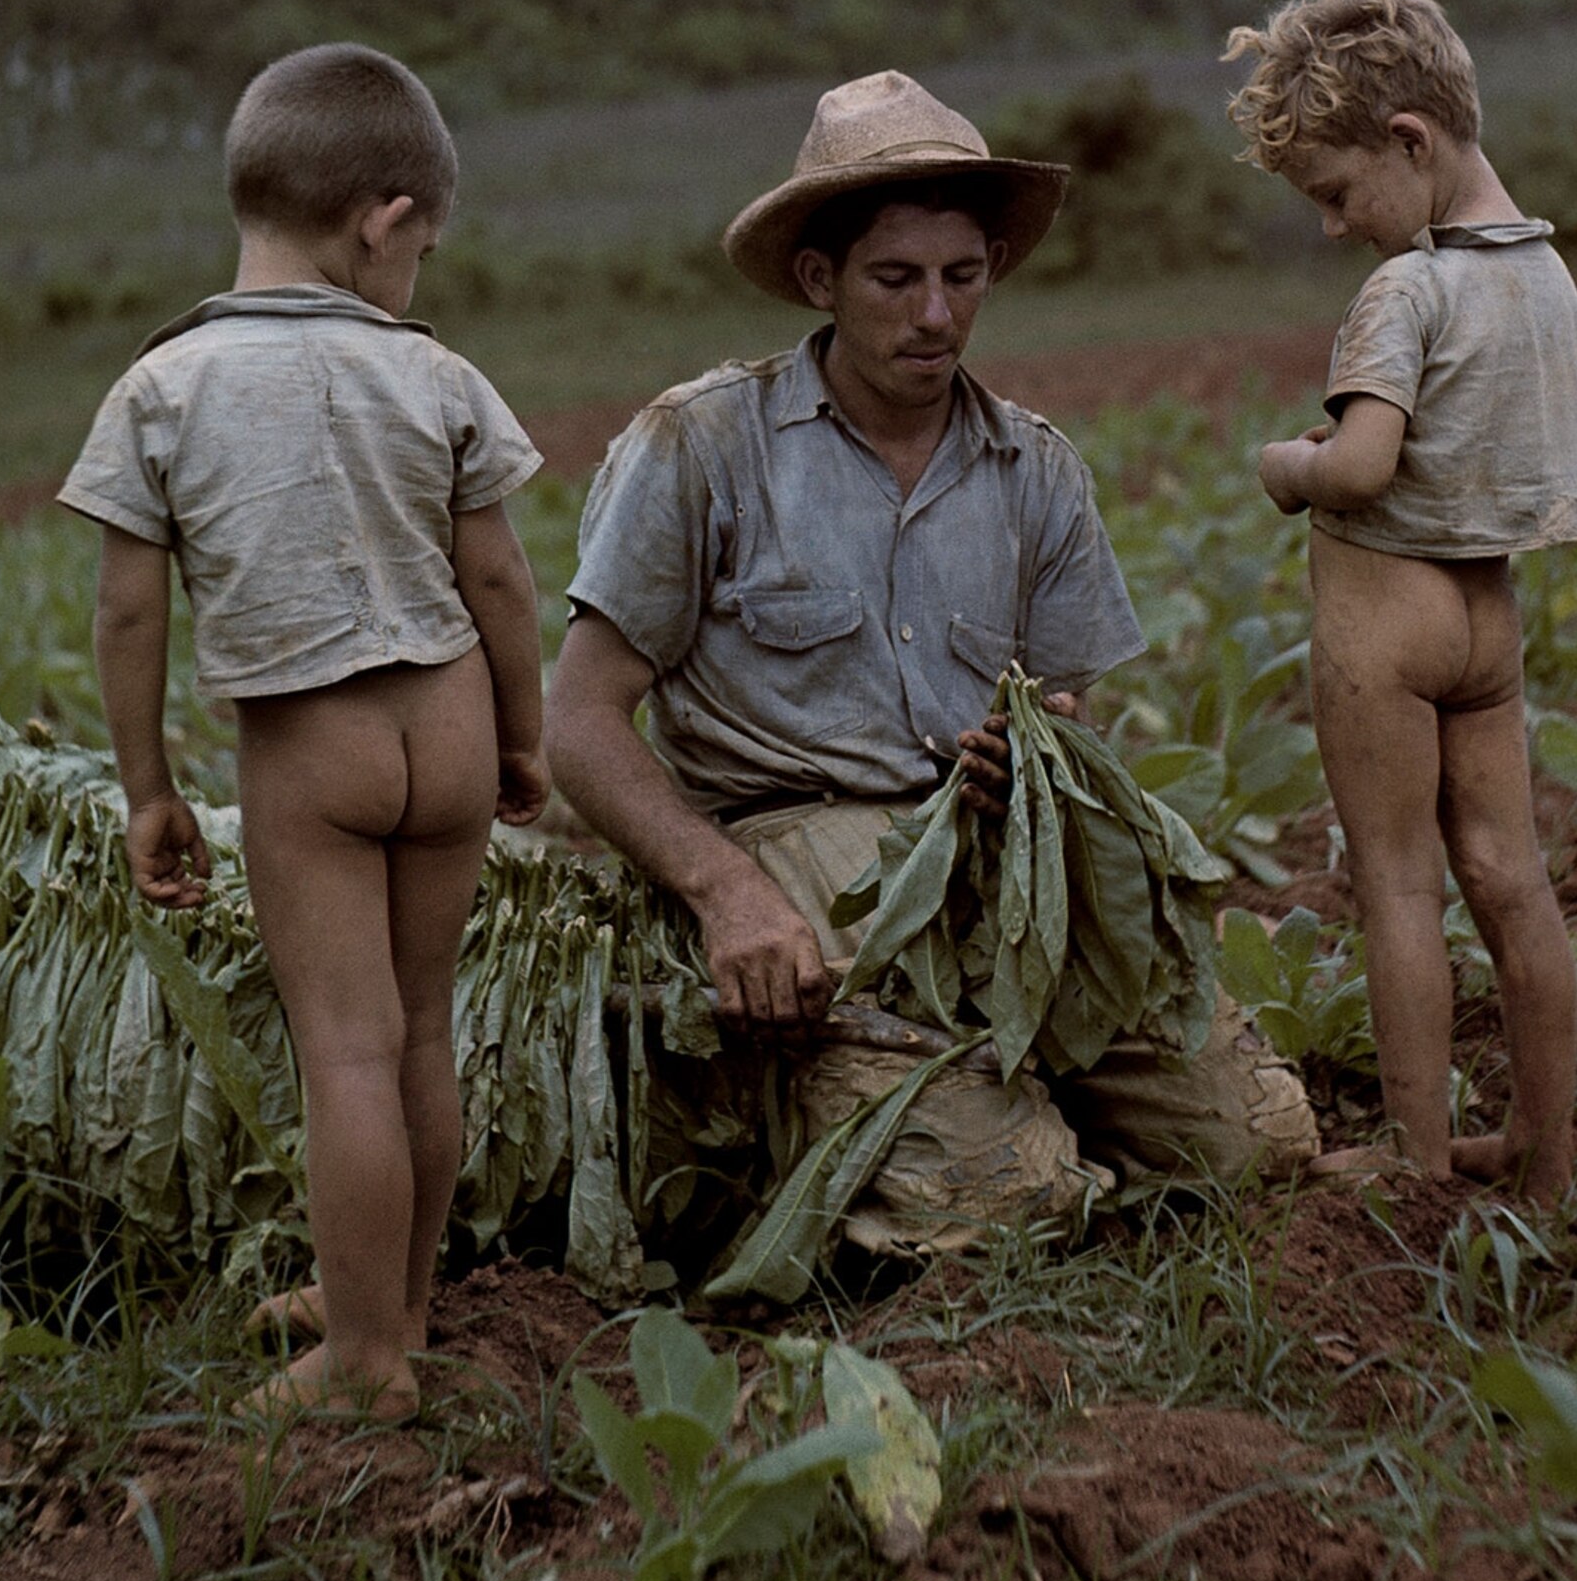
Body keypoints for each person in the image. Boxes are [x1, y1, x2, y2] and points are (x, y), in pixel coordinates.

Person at [545, 70, 1315, 1252]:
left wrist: (1038, 754)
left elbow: (1072, 712)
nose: (935, 318)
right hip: (791, 854)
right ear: (821, 279)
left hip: (987, 864)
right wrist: (725, 894)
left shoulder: (1034, 471)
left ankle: (973, 1104)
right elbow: (581, 723)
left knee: (1257, 1149)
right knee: (1009, 1197)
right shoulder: (703, 443)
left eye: (962, 279)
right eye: (895, 281)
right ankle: (777, 1116)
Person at [60, 44, 549, 1417]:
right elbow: (501, 580)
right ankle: (391, 1292)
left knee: (343, 1046)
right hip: (448, 725)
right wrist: (522, 738)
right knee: (421, 1033)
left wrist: (148, 789)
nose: (418, 276)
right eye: (425, 249)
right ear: (382, 221)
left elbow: (127, 617)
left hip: (310, 751)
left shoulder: (163, 388)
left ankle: (367, 1361)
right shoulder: (436, 375)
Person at [1227, 0, 1577, 1204]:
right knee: (1513, 877)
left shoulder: (1407, 288)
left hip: (1384, 631)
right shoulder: (1544, 278)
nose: (1332, 225)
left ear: (1406, 138)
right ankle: (1544, 1156)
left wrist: (1287, 465)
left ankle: (1414, 1154)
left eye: (1335, 192)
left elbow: (1364, 464)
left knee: (1394, 884)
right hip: (1488, 622)